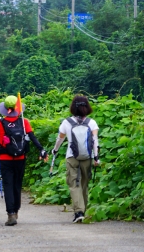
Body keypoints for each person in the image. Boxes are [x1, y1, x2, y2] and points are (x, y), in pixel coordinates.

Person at [0, 95, 48, 226]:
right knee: (17, 185)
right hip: (20, 158)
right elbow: (32, 137)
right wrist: (41, 150)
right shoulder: (24, 122)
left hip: (5, 159)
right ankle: (16, 210)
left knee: (8, 185)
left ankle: (11, 214)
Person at [51, 95, 100, 223]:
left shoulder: (67, 122)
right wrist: (96, 157)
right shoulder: (91, 122)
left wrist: (55, 150)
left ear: (72, 107)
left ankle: (78, 212)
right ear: (87, 107)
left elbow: (60, 139)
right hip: (88, 157)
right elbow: (95, 140)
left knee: (74, 183)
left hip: (72, 156)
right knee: (84, 184)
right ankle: (82, 210)